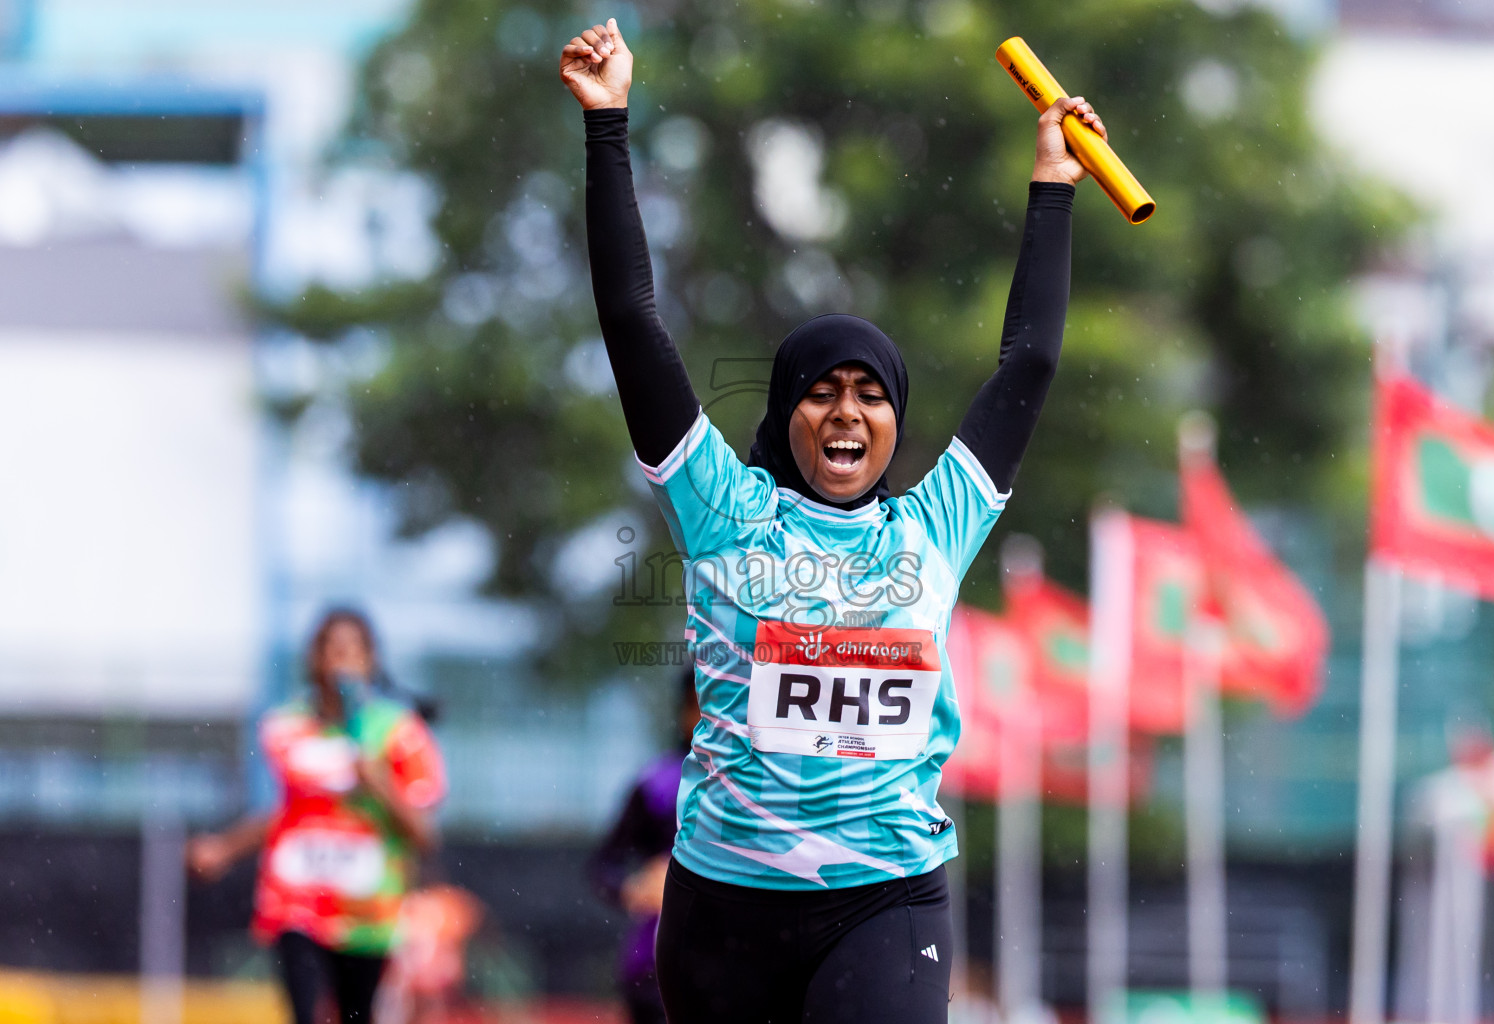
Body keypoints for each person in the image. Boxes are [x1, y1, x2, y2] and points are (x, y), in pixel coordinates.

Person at [560, 18, 1099, 1023]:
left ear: (897, 420)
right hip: (723, 912)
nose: (848, 411)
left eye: (872, 394)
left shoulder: (937, 522)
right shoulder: (722, 507)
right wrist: (607, 127)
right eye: (822, 391)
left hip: (886, 902)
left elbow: (1026, 363)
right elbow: (633, 319)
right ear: (785, 413)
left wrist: (1054, 188)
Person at [187, 608, 448, 1024]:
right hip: (297, 900)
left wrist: (378, 783)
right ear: (314, 659)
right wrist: (224, 847)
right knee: (304, 1012)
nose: (340, 661)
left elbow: (424, 834)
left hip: (368, 908)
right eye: (331, 649)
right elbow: (288, 813)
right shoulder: (287, 726)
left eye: (352, 651)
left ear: (371, 660)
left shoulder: (398, 733)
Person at [588, 668, 701, 1024]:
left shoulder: (767, 784)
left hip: (736, 954)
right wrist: (633, 887)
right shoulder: (659, 783)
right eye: (699, 707)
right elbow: (604, 864)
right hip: (655, 961)